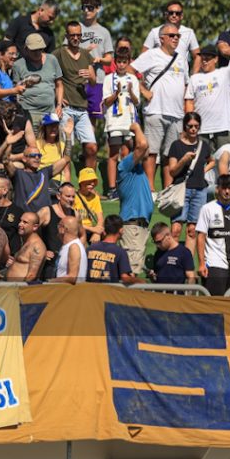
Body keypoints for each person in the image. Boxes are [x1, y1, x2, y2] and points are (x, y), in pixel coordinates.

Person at [131, 22, 189, 188]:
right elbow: (129, 70)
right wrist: (142, 89)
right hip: (155, 110)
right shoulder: (152, 54)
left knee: (171, 154)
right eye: (172, 36)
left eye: (178, 36)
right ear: (161, 38)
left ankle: (168, 189)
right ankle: (150, 188)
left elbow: (185, 84)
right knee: (151, 152)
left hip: (177, 114)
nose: (175, 39)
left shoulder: (181, 58)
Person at [184, 36, 230, 150]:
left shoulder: (224, 73)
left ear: (216, 59)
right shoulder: (194, 78)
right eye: (203, 58)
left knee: (225, 163)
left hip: (223, 129)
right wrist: (189, 124)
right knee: (201, 165)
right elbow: (189, 102)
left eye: (208, 58)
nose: (204, 61)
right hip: (201, 130)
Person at [53, 21, 98, 169]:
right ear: (67, 36)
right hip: (66, 109)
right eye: (72, 35)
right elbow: (48, 75)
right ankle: (66, 185)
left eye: (79, 35)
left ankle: (89, 180)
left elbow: (93, 82)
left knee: (92, 148)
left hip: (82, 108)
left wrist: (90, 75)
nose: (76, 38)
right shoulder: (59, 53)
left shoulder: (86, 54)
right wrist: (57, 96)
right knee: (67, 150)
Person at [166, 112, 215, 243]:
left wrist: (203, 170)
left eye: (196, 126)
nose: (193, 129)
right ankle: (173, 259)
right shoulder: (176, 145)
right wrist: (184, 160)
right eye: (190, 126)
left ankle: (187, 262)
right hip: (181, 190)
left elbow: (212, 161)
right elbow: (172, 171)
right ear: (185, 127)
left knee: (193, 230)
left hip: (200, 190)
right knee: (176, 229)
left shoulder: (203, 145)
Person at [195, 174, 230, 295]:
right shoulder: (207, 208)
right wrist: (202, 263)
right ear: (218, 189)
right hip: (215, 264)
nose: (227, 191)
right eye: (224, 188)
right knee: (215, 304)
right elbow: (201, 237)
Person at [101, 47, 140, 198]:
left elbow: (137, 103)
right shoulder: (108, 78)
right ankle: (112, 189)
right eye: (119, 62)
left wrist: (130, 92)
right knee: (113, 153)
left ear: (129, 62)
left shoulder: (133, 79)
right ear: (115, 62)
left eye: (124, 62)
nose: (122, 65)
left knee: (126, 153)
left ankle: (125, 185)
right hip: (114, 121)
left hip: (129, 121)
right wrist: (116, 93)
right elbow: (106, 102)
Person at [117, 122, 154, 276]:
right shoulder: (124, 166)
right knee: (130, 273)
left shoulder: (138, 171)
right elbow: (143, 145)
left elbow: (145, 148)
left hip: (138, 228)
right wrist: (137, 127)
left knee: (134, 270)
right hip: (133, 227)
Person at [12, 33, 63, 127]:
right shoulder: (18, 65)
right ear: (26, 49)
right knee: (32, 142)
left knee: (51, 141)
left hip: (50, 113)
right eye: (34, 50)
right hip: (29, 113)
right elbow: (15, 90)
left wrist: (59, 105)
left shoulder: (52, 60)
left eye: (40, 49)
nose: (37, 52)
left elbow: (59, 85)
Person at [77, 0, 114, 123]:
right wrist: (85, 53)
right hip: (77, 80)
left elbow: (109, 58)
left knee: (92, 119)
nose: (86, 11)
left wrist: (100, 59)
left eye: (90, 7)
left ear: (98, 9)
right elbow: (66, 51)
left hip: (98, 80)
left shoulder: (104, 32)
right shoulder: (76, 28)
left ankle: (91, 143)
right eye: (84, 7)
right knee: (73, 116)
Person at [142, 1, 201, 73]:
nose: (174, 15)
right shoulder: (155, 32)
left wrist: (193, 77)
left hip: (181, 80)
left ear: (182, 16)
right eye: (171, 13)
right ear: (166, 14)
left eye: (177, 13)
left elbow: (198, 56)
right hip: (160, 79)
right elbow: (144, 56)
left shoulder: (189, 33)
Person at [86, 215, 139, 284]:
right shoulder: (120, 252)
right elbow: (125, 278)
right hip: (108, 292)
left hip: (89, 291)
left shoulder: (90, 249)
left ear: (104, 230)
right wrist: (139, 280)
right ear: (121, 230)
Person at [3, 211, 45, 281]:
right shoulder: (26, 242)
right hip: (10, 287)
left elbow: (31, 276)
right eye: (20, 221)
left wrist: (20, 290)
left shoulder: (37, 247)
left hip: (19, 290)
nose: (20, 224)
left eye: (25, 222)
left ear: (35, 227)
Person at [35, 114, 71, 183]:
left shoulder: (62, 145)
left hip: (58, 181)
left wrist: (67, 185)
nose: (53, 128)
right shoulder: (37, 144)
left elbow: (66, 170)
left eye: (55, 125)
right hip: (42, 179)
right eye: (50, 126)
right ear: (45, 128)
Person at [54, 215, 87, 284]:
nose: (57, 228)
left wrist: (49, 282)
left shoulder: (74, 247)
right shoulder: (68, 246)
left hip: (70, 293)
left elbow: (72, 277)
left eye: (58, 225)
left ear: (63, 229)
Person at [74, 167, 105, 241]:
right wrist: (94, 230)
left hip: (90, 229)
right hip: (77, 228)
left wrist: (96, 233)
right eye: (89, 181)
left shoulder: (95, 197)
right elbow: (74, 222)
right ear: (81, 182)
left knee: (103, 235)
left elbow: (100, 219)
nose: (92, 183)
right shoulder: (73, 197)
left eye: (94, 181)